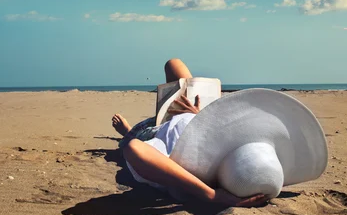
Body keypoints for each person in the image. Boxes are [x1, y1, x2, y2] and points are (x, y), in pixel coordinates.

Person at [111, 59, 269, 207]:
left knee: (129, 142)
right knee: (173, 64)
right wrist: (200, 115)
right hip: (193, 112)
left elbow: (134, 150)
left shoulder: (185, 172)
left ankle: (126, 130)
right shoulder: (231, 151)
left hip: (156, 128)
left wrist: (211, 195)